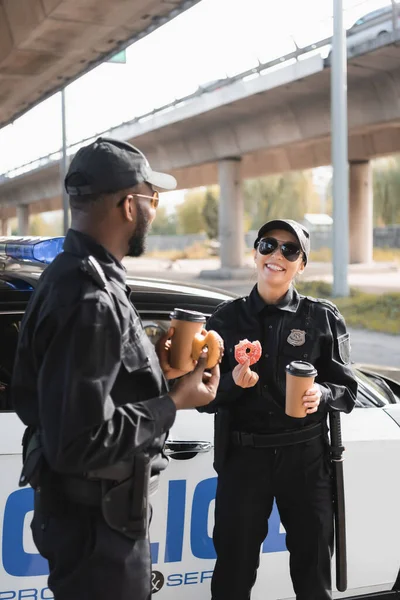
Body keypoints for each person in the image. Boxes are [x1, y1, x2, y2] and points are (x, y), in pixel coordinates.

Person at [11, 137, 220, 600]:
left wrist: (162, 378)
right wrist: (174, 403)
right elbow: (79, 441)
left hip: (94, 521)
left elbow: (87, 396)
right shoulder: (90, 298)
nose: (155, 210)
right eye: (153, 198)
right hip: (97, 534)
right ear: (129, 204)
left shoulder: (71, 276)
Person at [201, 219, 358, 600]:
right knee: (233, 574)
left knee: (312, 571)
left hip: (305, 459)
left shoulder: (320, 317)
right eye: (268, 245)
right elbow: (202, 397)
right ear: (255, 253)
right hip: (244, 460)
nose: (277, 256)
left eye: (290, 250)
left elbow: (347, 390)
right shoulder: (225, 319)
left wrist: (321, 393)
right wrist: (231, 385)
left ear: (301, 265)